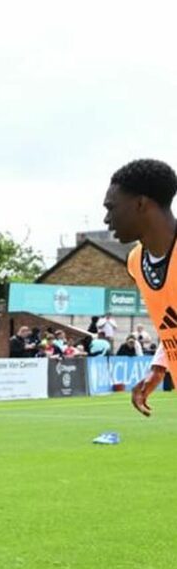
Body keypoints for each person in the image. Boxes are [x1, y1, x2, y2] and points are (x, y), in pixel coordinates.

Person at [103, 159, 177, 415]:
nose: (106, 218)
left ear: (140, 204)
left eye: (111, 207)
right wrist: (159, 366)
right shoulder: (136, 262)